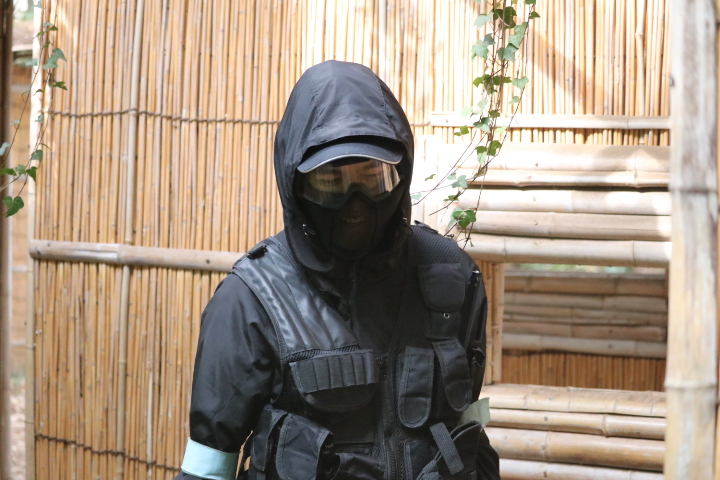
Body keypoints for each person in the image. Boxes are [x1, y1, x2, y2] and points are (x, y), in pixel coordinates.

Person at [174, 60, 501, 480]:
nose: (355, 202)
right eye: (331, 181)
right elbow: (208, 468)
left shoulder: (452, 275)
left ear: (401, 174)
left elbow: (469, 430)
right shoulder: (250, 298)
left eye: (373, 177)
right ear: (296, 184)